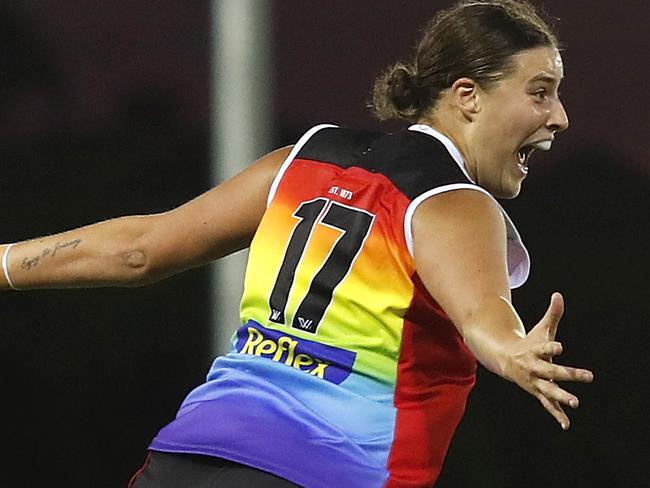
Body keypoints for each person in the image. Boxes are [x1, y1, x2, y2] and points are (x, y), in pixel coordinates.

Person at [1, 1, 594, 486]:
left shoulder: (304, 158)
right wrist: (512, 349)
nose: (560, 116)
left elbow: (140, 247)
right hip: (317, 475)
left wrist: (3, 262)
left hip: (185, 461)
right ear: (467, 96)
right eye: (540, 92)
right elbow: (480, 312)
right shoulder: (452, 201)